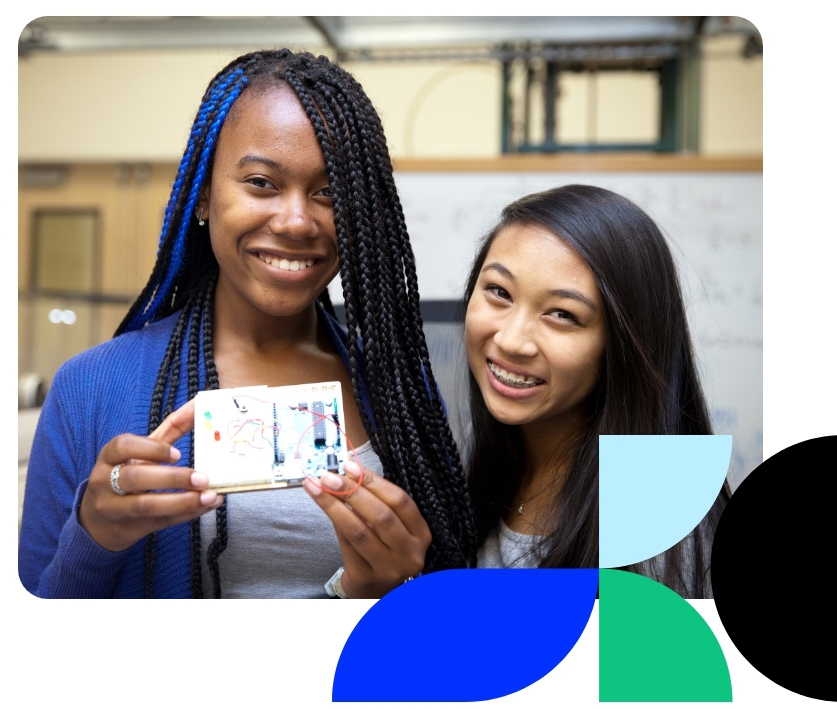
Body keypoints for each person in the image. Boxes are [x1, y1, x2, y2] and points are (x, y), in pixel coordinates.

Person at [18, 49, 478, 599]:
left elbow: (446, 627)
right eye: (261, 182)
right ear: (205, 196)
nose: (296, 220)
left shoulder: (401, 393)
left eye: (330, 193)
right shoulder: (90, 388)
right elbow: (31, 646)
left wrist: (387, 594)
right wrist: (96, 537)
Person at [464, 184, 728, 598]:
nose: (513, 340)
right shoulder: (485, 460)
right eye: (499, 292)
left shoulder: (662, 524)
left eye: (563, 314)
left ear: (623, 344)